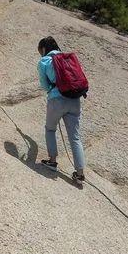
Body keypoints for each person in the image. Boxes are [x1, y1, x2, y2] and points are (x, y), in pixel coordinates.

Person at [37, 36, 86, 182]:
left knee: (50, 129)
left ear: (44, 48)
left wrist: (53, 89)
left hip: (57, 100)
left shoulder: (44, 61)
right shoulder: (68, 59)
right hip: (75, 100)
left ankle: (52, 161)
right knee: (75, 137)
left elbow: (44, 85)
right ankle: (80, 173)